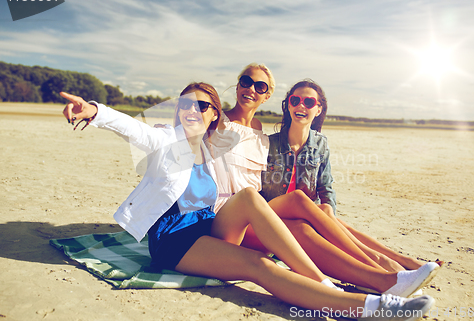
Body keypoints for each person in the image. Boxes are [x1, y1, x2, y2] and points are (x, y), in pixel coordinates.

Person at [60, 83, 435, 320]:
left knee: (255, 199)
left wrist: (280, 113)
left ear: (213, 117)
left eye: (204, 106)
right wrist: (94, 112)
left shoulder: (211, 144)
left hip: (210, 226)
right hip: (175, 241)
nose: (195, 110)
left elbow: (249, 129)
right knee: (260, 266)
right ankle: (363, 305)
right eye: (188, 104)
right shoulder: (165, 140)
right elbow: (134, 129)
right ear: (178, 109)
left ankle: (384, 279)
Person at [208, 64, 439, 296]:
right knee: (299, 200)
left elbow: (323, 186)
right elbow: (189, 137)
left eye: (260, 86)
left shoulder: (258, 129)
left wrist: (328, 206)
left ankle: (383, 278)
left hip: (257, 214)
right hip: (232, 214)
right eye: (246, 82)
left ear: (267, 95)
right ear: (238, 84)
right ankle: (381, 265)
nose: (251, 89)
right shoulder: (217, 122)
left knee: (307, 225)